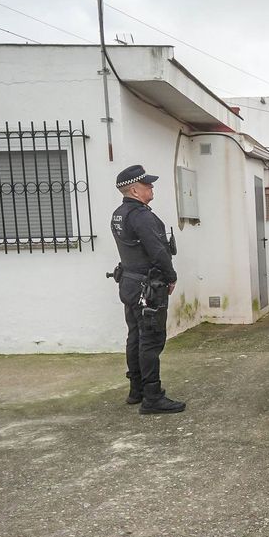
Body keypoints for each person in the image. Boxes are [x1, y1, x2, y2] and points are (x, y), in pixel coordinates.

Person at [109, 165, 185, 414]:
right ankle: (152, 396)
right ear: (134, 189)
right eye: (147, 185)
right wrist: (171, 276)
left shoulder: (119, 214)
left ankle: (136, 390)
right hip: (147, 287)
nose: (151, 187)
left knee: (135, 336)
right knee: (151, 340)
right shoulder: (141, 215)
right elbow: (157, 250)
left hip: (130, 283)